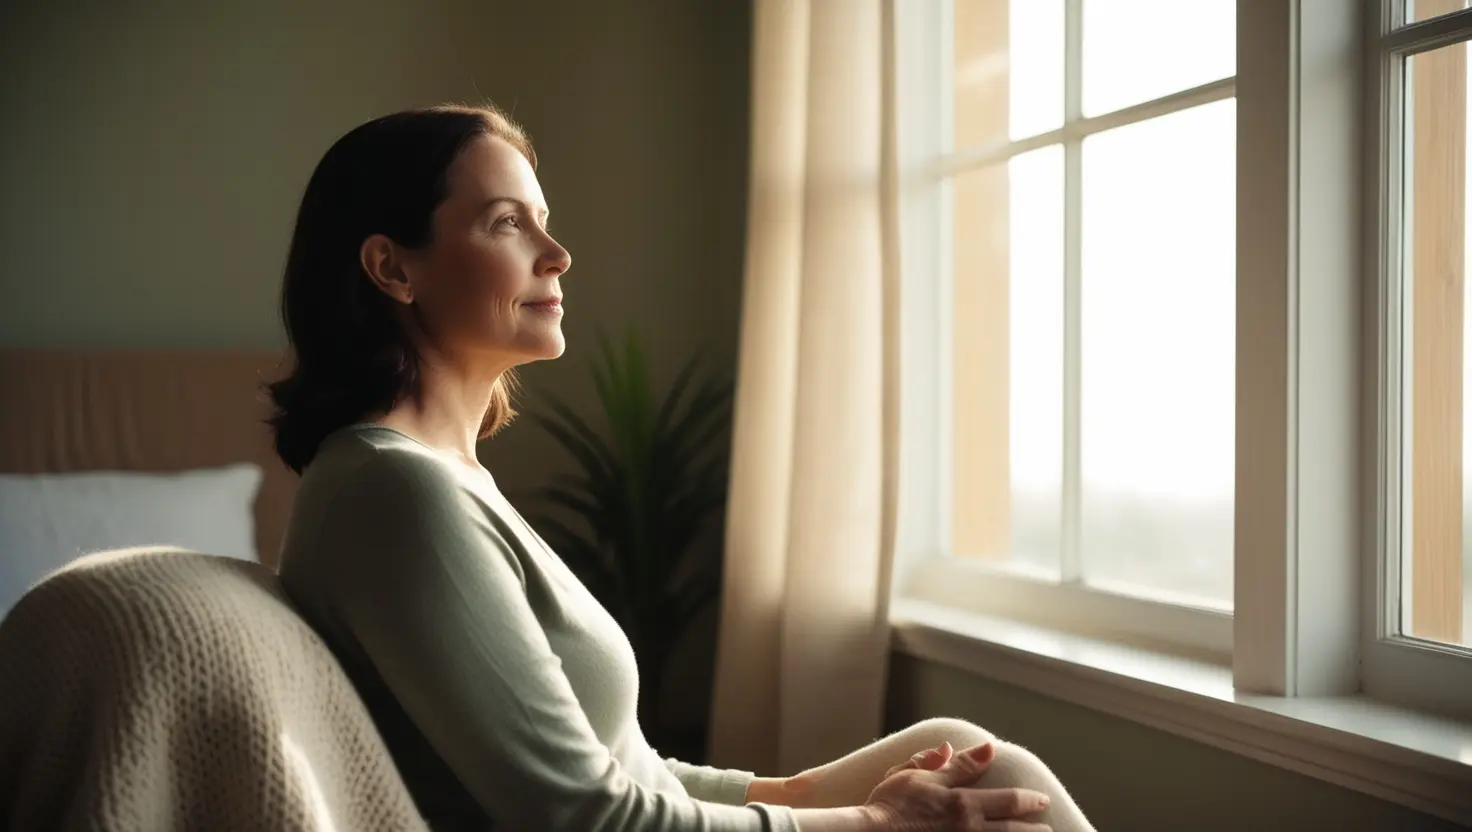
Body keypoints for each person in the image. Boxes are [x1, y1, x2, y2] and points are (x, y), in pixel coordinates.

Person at [269, 104, 1096, 832]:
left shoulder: (440, 477)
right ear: (393, 267)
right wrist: (871, 822)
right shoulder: (395, 494)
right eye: (505, 223)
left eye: (544, 220)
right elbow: (584, 815)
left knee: (962, 755)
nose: (557, 255)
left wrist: (797, 791)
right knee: (995, 796)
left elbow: (618, 764)